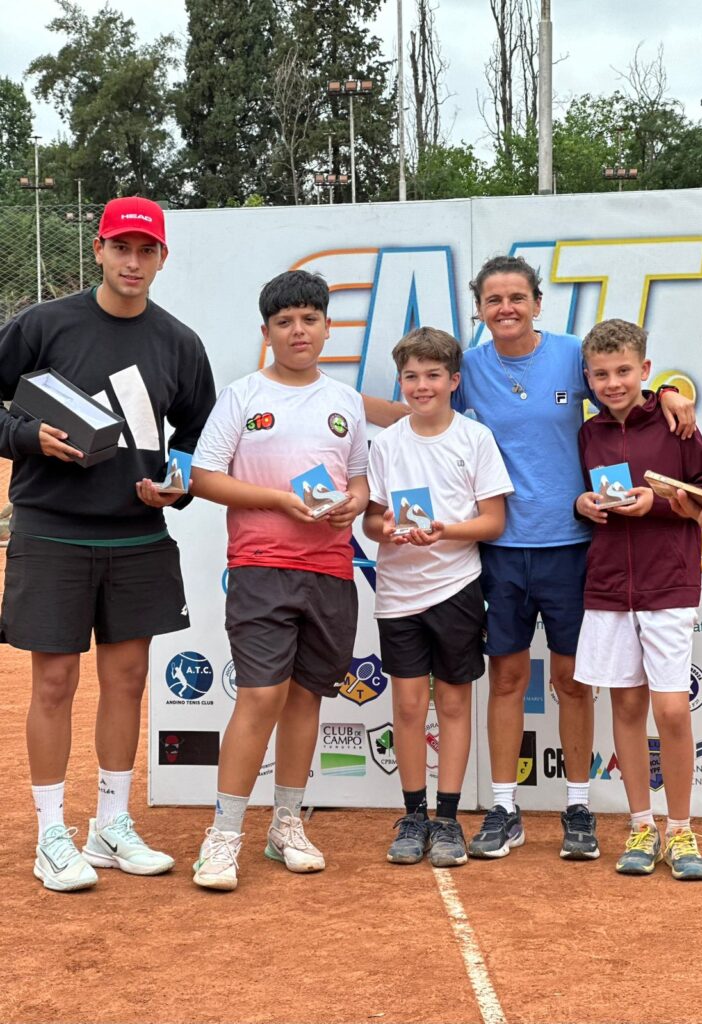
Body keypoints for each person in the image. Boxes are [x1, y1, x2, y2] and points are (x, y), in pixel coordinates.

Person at [363, 254, 694, 860]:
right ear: (481, 310)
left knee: (571, 682)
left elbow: (621, 382)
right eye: (493, 300)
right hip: (499, 550)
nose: (506, 308)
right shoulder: (470, 366)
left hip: (573, 546)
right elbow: (421, 408)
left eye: (517, 297)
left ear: (538, 302)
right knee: (509, 678)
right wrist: (344, 406)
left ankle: (576, 805)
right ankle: (505, 808)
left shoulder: (571, 352)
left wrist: (668, 393)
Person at [0, 196, 217, 892]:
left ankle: (110, 826)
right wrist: (26, 437)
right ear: (97, 249)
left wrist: (176, 483)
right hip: (51, 529)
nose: (132, 261)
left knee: (126, 681)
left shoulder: (179, 342)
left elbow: (196, 437)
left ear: (162, 258)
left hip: (138, 536)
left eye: (145, 249)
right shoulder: (42, 325)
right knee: (56, 683)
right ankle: (50, 834)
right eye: (120, 247)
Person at [189, 270, 369, 892]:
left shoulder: (345, 402)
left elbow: (361, 480)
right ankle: (224, 834)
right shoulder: (242, 396)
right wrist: (277, 500)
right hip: (262, 567)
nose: (299, 331)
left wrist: (353, 502)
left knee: (305, 698)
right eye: (285, 322)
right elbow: (205, 478)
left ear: (327, 327)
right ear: (266, 332)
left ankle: (286, 823)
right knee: (260, 695)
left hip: (331, 570)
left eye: (309, 320)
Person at [363, 327, 512, 868]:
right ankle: (413, 816)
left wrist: (443, 531)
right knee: (405, 706)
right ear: (400, 381)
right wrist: (389, 530)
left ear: (453, 381)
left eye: (432, 376)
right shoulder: (385, 442)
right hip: (397, 592)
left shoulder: (475, 439)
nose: (421, 386)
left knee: (452, 703)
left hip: (456, 589)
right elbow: (371, 519)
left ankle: (447, 820)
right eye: (410, 376)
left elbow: (493, 522)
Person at [574, 318, 702, 880]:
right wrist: (584, 505)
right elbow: (581, 497)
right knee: (626, 707)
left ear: (646, 372)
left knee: (672, 709)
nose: (614, 382)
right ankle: (641, 824)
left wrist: (655, 504)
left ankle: (680, 831)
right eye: (602, 374)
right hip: (608, 587)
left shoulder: (679, 424)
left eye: (624, 371)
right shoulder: (588, 434)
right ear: (588, 377)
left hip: (669, 584)